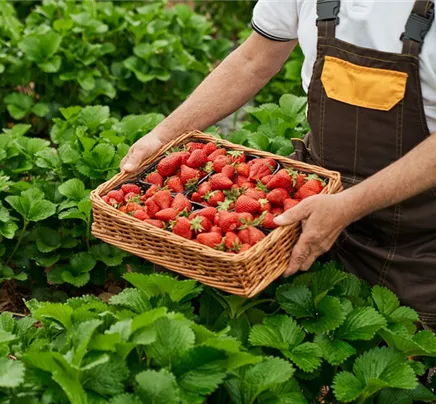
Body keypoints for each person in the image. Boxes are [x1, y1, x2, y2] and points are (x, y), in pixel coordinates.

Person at [120, 0, 436, 323]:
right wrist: (163, 135)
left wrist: (349, 204)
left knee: (406, 350)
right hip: (307, 217)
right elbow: (253, 60)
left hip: (418, 241)